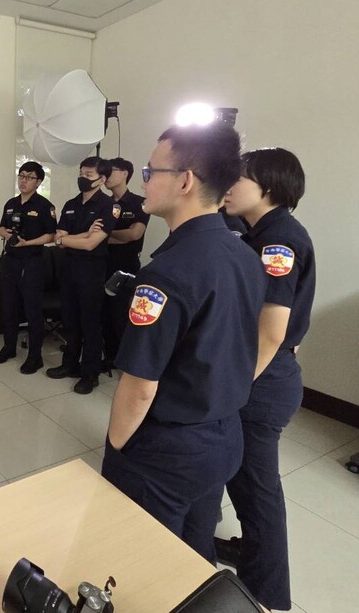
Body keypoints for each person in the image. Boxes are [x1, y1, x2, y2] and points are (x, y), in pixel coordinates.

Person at [99, 123, 266, 563]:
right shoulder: (244, 255)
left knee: (145, 563)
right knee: (192, 558)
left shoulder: (166, 274)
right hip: (224, 436)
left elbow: (140, 386)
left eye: (151, 171)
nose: (144, 181)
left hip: (168, 451)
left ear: (185, 181)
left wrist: (117, 449)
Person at [216, 148, 315, 611]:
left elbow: (273, 331)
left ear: (269, 188)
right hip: (265, 373)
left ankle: (265, 591)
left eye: (240, 178)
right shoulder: (259, 232)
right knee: (244, 481)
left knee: (258, 489)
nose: (229, 185)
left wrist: (234, 389)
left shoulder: (279, 240)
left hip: (262, 382)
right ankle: (252, 551)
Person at [46, 157, 115, 394]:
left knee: (90, 323)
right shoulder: (71, 204)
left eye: (88, 175)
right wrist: (83, 235)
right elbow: (58, 238)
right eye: (81, 173)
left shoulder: (108, 206)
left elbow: (90, 244)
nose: (82, 178)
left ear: (102, 179)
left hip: (91, 272)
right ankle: (70, 365)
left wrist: (68, 240)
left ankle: (90, 374)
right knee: (70, 321)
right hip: (68, 269)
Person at [0, 161, 57, 374]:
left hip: (32, 262)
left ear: (38, 182)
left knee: (32, 310)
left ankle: (35, 356)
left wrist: (27, 243)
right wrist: (6, 235)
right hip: (10, 261)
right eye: (21, 175)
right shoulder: (11, 203)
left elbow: (51, 235)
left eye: (29, 177)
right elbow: (1, 227)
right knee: (9, 306)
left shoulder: (44, 206)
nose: (24, 181)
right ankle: (9, 347)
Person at [101, 157, 150, 371]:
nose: (106, 176)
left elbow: (134, 234)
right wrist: (113, 237)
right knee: (103, 314)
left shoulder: (138, 203)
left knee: (121, 315)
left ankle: (125, 360)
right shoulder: (104, 203)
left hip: (126, 267)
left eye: (110, 171)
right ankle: (109, 356)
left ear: (124, 173)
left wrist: (104, 235)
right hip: (101, 263)